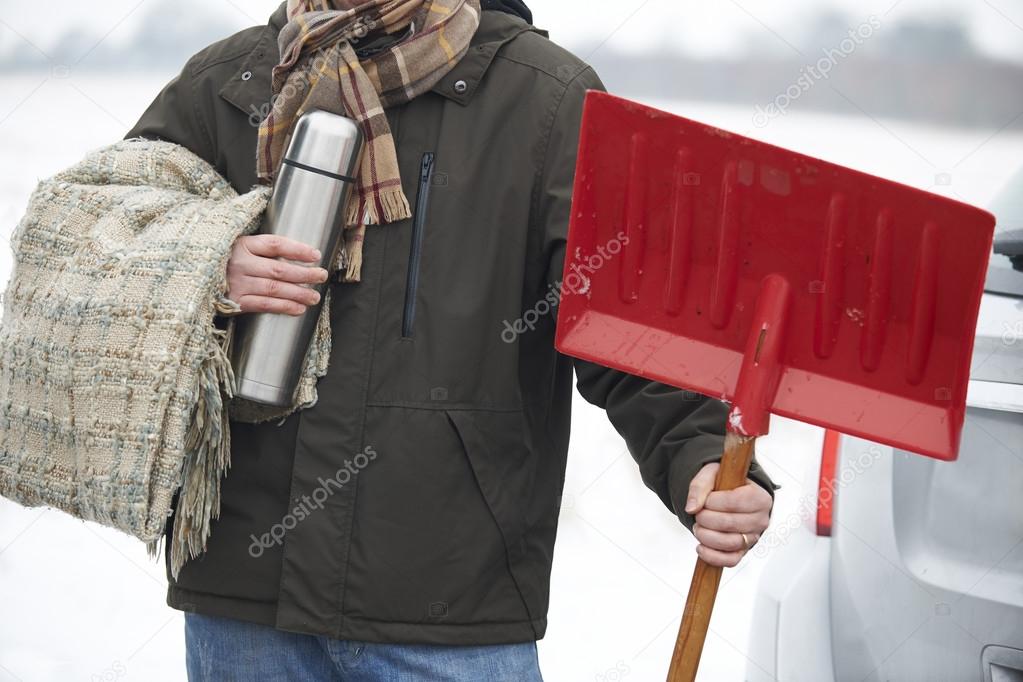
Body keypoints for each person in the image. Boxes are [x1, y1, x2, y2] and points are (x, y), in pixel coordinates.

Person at [124, 0, 776, 679]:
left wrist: (696, 451)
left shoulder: (544, 97)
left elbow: (623, 320)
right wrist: (203, 258)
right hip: (245, 594)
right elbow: (102, 237)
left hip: (448, 601)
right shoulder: (229, 82)